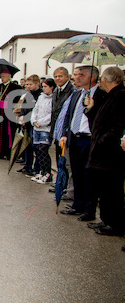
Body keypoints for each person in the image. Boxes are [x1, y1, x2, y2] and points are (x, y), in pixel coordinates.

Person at [59, 66, 107, 222]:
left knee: (89, 176)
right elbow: (69, 115)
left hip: (89, 138)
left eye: (81, 75)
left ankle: (89, 209)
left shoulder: (101, 96)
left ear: (92, 77)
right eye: (77, 74)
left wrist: (92, 107)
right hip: (74, 138)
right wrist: (65, 134)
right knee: (77, 173)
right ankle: (77, 204)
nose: (77, 77)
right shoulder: (77, 94)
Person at [84, 67, 125, 237]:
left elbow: (117, 125)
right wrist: (91, 108)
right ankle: (107, 219)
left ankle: (115, 224)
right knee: (104, 190)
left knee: (112, 191)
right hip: (101, 152)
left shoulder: (120, 96)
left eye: (101, 78)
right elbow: (98, 122)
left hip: (109, 153)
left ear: (107, 79)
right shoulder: (110, 96)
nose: (100, 81)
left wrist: (103, 141)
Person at [50, 67, 75, 199]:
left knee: (66, 161)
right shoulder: (56, 90)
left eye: (60, 76)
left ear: (67, 76)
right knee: (59, 159)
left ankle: (66, 187)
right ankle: (60, 183)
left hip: (65, 131)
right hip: (57, 129)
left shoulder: (71, 90)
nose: (58, 79)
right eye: (55, 76)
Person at [0, 71, 21, 159]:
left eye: (4, 76)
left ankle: (8, 153)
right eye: (1, 76)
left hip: (8, 115)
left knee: (8, 134)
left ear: (9, 77)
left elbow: (18, 100)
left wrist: (9, 105)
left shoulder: (15, 87)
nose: (2, 78)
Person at [29, 78, 55, 183]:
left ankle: (48, 173)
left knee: (43, 149)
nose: (43, 89)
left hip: (45, 128)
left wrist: (40, 122)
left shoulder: (54, 99)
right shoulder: (41, 97)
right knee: (37, 150)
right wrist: (34, 120)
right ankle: (41, 171)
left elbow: (52, 114)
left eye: (45, 87)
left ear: (51, 87)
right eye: (42, 86)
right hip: (36, 127)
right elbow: (35, 109)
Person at [17, 75, 41, 175]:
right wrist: (22, 115)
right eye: (27, 84)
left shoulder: (40, 95)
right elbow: (24, 107)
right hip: (26, 123)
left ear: (37, 84)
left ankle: (36, 168)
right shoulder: (28, 94)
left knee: (35, 147)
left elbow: (36, 110)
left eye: (30, 84)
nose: (28, 86)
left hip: (34, 123)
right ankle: (27, 165)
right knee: (27, 146)